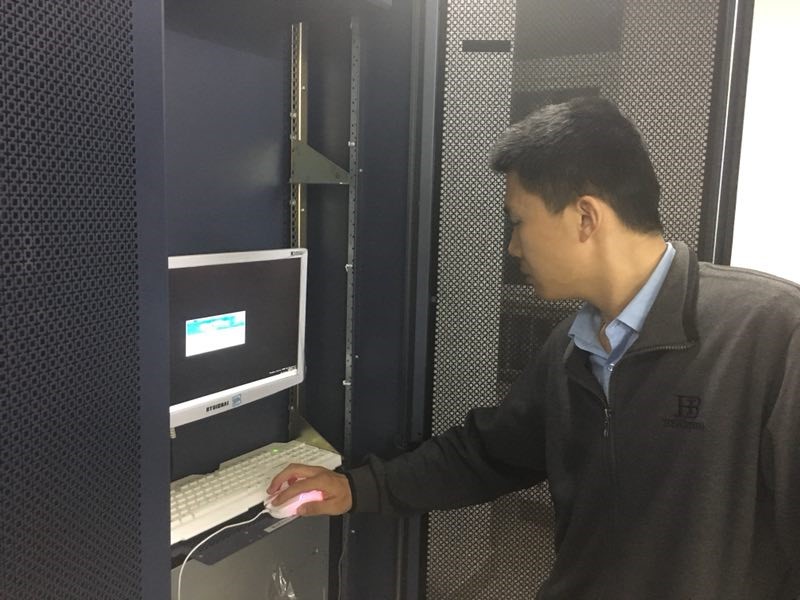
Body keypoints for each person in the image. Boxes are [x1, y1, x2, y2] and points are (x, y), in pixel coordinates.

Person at [268, 97, 800, 599]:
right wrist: (355, 489)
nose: (512, 245)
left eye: (520, 222)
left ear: (586, 217)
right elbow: (488, 454)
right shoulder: (572, 347)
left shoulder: (771, 334)